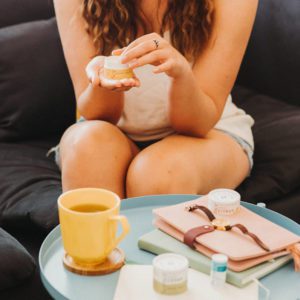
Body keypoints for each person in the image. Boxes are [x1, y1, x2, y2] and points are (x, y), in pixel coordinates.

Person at [53, 0, 257, 199]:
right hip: (110, 130)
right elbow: (96, 115)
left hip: (207, 131)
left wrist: (181, 74)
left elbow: (197, 124)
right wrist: (103, 81)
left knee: (158, 173)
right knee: (86, 148)